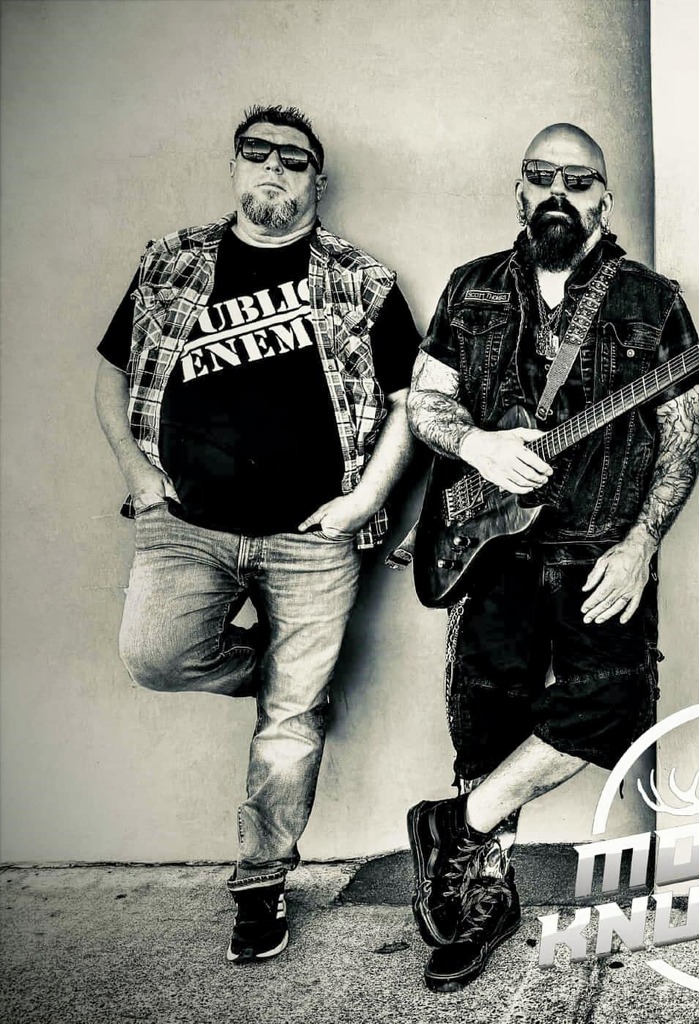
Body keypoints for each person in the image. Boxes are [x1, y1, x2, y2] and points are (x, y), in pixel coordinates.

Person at [93, 104, 420, 963]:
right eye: (257, 153)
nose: (274, 168)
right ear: (235, 167)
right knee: (155, 656)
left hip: (312, 540)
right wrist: (138, 474)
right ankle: (287, 687)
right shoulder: (169, 263)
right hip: (185, 528)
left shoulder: (362, 280)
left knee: (290, 722)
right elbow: (112, 374)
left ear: (318, 180)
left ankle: (262, 879)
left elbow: (410, 406)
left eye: (294, 159)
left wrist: (364, 501)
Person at [404, 123, 699, 992]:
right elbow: (425, 405)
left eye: (578, 180)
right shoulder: (471, 288)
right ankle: (482, 895)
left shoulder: (652, 301)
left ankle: (457, 824)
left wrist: (642, 543)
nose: (558, 193)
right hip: (487, 549)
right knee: (485, 720)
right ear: (520, 190)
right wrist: (478, 446)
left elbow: (682, 441)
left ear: (605, 196)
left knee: (609, 711)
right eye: (542, 176)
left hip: (601, 550)